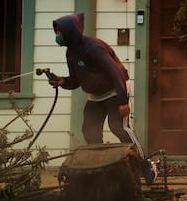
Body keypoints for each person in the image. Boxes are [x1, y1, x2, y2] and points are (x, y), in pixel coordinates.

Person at [49, 12, 132, 145]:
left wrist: (123, 101)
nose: (57, 36)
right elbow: (77, 79)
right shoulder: (70, 52)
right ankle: (99, 163)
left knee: (118, 128)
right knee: (89, 131)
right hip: (96, 95)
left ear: (70, 32)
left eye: (59, 32)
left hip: (115, 91)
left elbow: (115, 72)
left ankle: (140, 162)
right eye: (56, 32)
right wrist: (63, 81)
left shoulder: (93, 47)